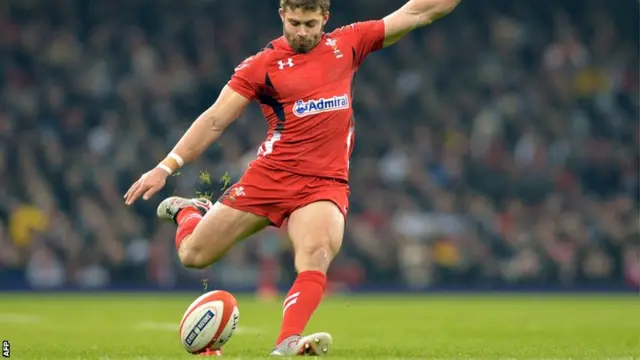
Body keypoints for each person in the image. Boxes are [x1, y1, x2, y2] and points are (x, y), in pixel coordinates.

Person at [124, 0, 460, 356]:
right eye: (295, 22)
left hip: (325, 184)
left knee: (315, 254)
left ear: (324, 19)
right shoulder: (262, 65)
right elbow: (214, 120)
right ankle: (189, 211)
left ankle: (287, 343)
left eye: (310, 23)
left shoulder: (348, 43)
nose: (302, 31)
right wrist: (165, 167)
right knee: (193, 255)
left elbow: (417, 12)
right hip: (269, 178)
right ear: (282, 15)